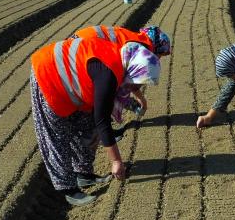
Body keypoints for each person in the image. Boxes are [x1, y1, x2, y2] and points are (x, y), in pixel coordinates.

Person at [31, 37, 160, 205]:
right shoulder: (108, 75)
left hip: (68, 76)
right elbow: (103, 120)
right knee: (58, 134)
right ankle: (68, 189)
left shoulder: (121, 62)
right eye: (139, 81)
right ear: (134, 69)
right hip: (47, 73)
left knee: (87, 124)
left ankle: (83, 174)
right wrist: (116, 161)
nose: (138, 87)